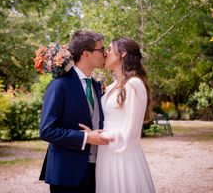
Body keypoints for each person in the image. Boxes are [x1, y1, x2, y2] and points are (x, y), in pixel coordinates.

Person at [39, 30, 111, 193]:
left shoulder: (95, 85)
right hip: (66, 174)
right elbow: (46, 131)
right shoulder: (60, 85)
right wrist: (86, 137)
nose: (105, 53)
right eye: (101, 49)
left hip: (95, 171)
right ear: (86, 54)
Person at [81, 37, 156, 193]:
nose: (105, 53)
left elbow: (131, 135)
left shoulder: (134, 85)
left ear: (122, 53)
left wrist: (97, 136)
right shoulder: (111, 87)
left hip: (123, 158)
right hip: (106, 155)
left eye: (109, 49)